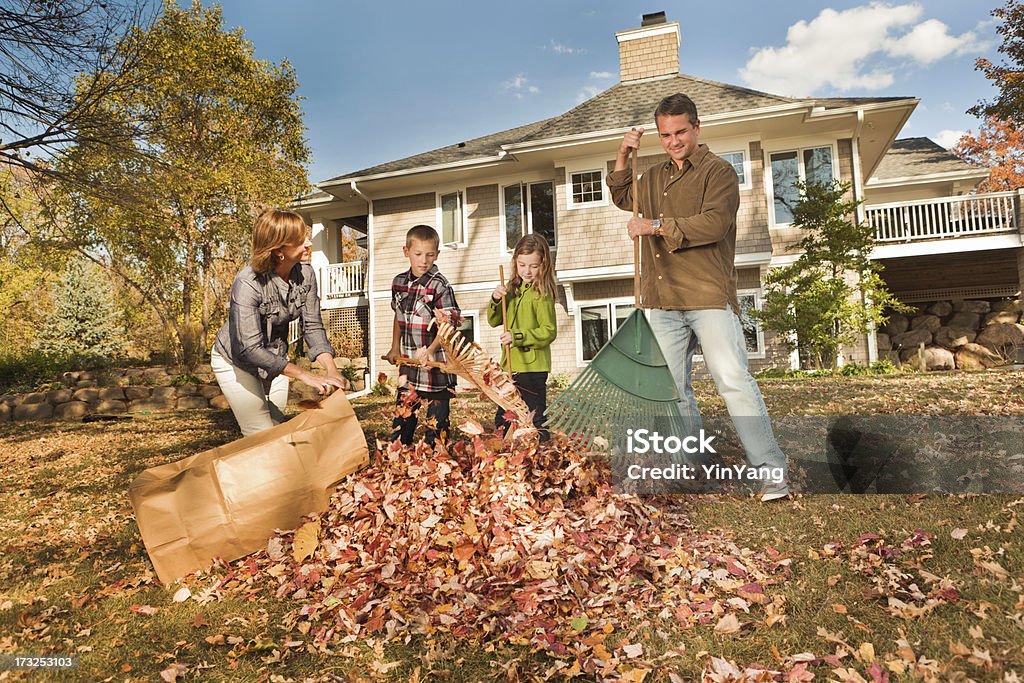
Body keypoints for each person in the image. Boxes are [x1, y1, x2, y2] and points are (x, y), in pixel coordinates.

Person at [606, 93, 789, 501]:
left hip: (707, 296)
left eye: (680, 132)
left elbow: (713, 223)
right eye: (665, 135)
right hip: (661, 300)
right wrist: (622, 154)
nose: (673, 141)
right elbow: (623, 197)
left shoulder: (719, 172)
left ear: (696, 127)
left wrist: (654, 225)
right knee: (673, 391)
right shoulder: (651, 176)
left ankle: (771, 470)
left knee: (733, 381)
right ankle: (686, 468)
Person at [211, 208, 345, 437]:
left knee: (276, 429)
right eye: (300, 239)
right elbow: (249, 349)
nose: (308, 243)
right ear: (280, 249)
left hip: (275, 358)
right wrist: (304, 374)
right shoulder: (247, 284)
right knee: (261, 434)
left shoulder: (306, 274)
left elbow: (312, 325)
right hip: (237, 361)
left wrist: (332, 370)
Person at [383, 225, 461, 446]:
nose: (424, 260)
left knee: (437, 429)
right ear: (406, 251)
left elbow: (448, 326)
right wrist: (395, 347)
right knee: (403, 422)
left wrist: (431, 350)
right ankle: (398, 461)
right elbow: (399, 316)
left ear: (437, 254)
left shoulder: (440, 286)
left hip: (437, 367)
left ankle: (438, 464)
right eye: (418, 254)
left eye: (429, 255)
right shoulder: (399, 283)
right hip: (409, 368)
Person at [488, 233, 557, 440]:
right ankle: (510, 457)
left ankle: (545, 455)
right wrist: (495, 298)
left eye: (533, 266)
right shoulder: (512, 290)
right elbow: (493, 320)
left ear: (543, 265)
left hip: (533, 367)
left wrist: (517, 337)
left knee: (534, 417)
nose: (527, 271)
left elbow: (549, 331)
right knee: (505, 416)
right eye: (522, 265)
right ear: (515, 262)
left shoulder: (542, 294)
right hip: (510, 365)